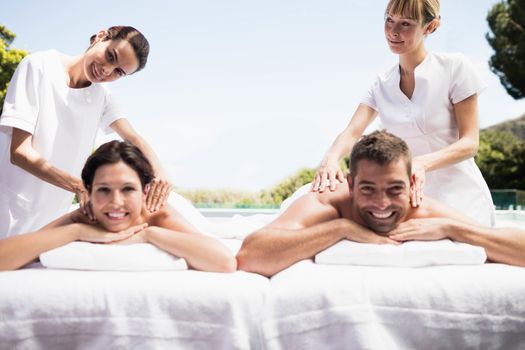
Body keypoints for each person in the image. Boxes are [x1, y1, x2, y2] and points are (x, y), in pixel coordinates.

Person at [237, 131, 525, 277]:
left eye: (395, 189)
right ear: (350, 185)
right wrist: (341, 228)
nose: (382, 203)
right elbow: (250, 256)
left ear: (412, 185)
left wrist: (453, 228)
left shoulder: (422, 210)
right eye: (368, 189)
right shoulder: (326, 202)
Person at [311, 0, 495, 226]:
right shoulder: (381, 85)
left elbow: (470, 143)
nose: (393, 32)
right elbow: (351, 132)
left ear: (430, 27)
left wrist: (420, 164)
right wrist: (331, 158)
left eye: (405, 24)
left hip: (462, 198)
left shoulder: (454, 68)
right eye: (389, 20)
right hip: (410, 202)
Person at [0, 26, 172, 239]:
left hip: (52, 218)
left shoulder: (102, 96)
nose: (107, 70)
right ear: (100, 37)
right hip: (8, 210)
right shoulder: (39, 66)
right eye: (110, 56)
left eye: (118, 72)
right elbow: (19, 152)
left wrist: (160, 172)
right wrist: (80, 187)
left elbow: (132, 137)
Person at [0, 140, 236, 272]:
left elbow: (224, 261)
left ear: (144, 192)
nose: (115, 202)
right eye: (103, 189)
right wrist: (77, 231)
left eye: (127, 189)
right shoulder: (84, 216)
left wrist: (148, 234)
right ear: (89, 192)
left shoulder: (157, 214)